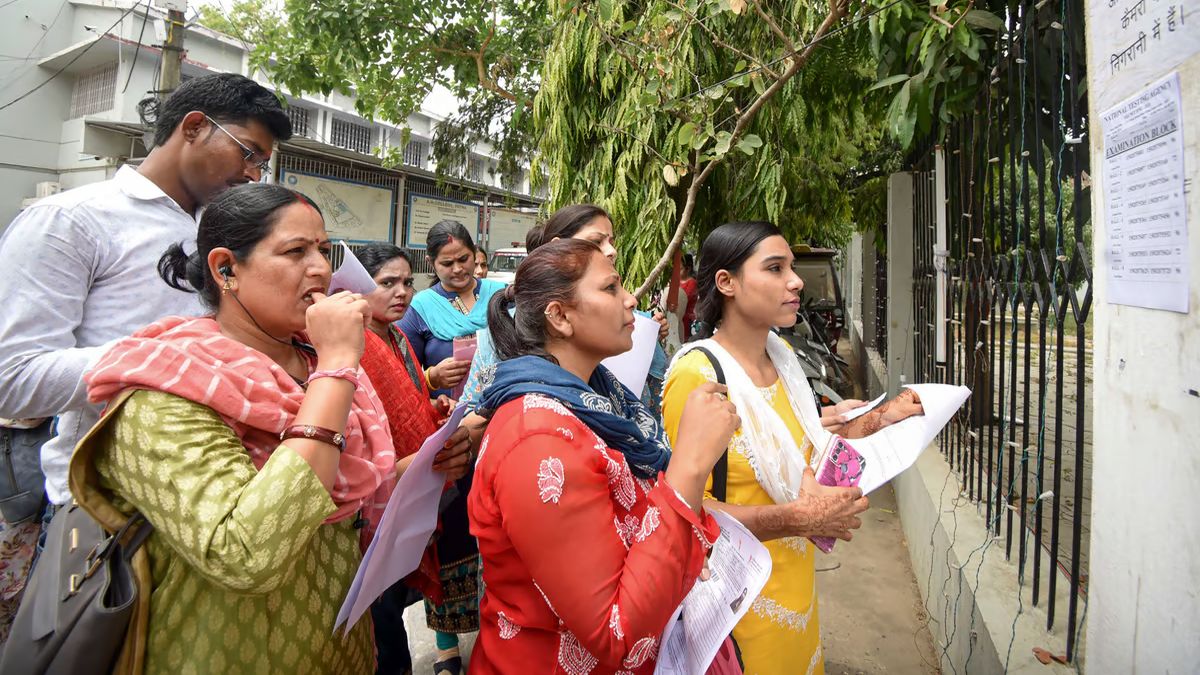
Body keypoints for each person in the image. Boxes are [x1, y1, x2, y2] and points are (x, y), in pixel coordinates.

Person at [0, 72, 292, 635]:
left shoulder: (226, 231)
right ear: (193, 127)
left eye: (263, 163)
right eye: (249, 153)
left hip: (227, 505)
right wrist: (174, 363)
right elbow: (12, 376)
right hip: (111, 512)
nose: (254, 174)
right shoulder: (71, 219)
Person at [70, 183, 391, 673]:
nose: (323, 269)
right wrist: (338, 364)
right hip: (224, 652)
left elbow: (347, 501)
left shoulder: (316, 363)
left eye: (324, 250)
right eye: (296, 251)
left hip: (339, 649)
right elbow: (245, 552)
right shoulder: (167, 388)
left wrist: (424, 467)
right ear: (226, 269)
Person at [662, 221, 924, 675]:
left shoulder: (783, 360)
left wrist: (879, 419)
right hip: (737, 612)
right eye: (775, 268)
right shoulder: (699, 376)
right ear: (726, 283)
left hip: (797, 595)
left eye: (792, 268)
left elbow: (807, 452)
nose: (796, 280)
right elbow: (682, 513)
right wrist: (796, 519)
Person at [468, 238, 741, 673]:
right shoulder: (537, 441)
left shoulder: (597, 396)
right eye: (611, 287)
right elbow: (616, 633)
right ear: (559, 317)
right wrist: (690, 466)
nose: (630, 299)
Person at [357, 243, 475, 675]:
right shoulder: (359, 344)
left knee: (390, 605)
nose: (402, 292)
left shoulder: (398, 337)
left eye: (407, 282)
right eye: (387, 283)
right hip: (376, 499)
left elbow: (411, 401)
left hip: (412, 486)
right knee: (380, 617)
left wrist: (434, 408)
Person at [397, 220, 504, 671]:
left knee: (494, 535)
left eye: (464, 259)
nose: (458, 269)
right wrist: (430, 377)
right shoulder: (420, 307)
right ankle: (444, 645)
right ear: (431, 263)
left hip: (497, 429)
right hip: (447, 436)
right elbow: (399, 366)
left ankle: (493, 631)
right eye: (447, 263)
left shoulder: (499, 296)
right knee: (446, 538)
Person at [459, 205, 669, 414]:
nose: (611, 251)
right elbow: (471, 415)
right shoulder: (538, 420)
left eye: (612, 242)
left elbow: (654, 407)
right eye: (596, 242)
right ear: (559, 316)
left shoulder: (634, 326)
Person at [679, 253, 698, 341]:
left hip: (686, 320)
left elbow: (683, 299)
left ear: (688, 269)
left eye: (681, 269)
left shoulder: (692, 283)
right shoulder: (677, 281)